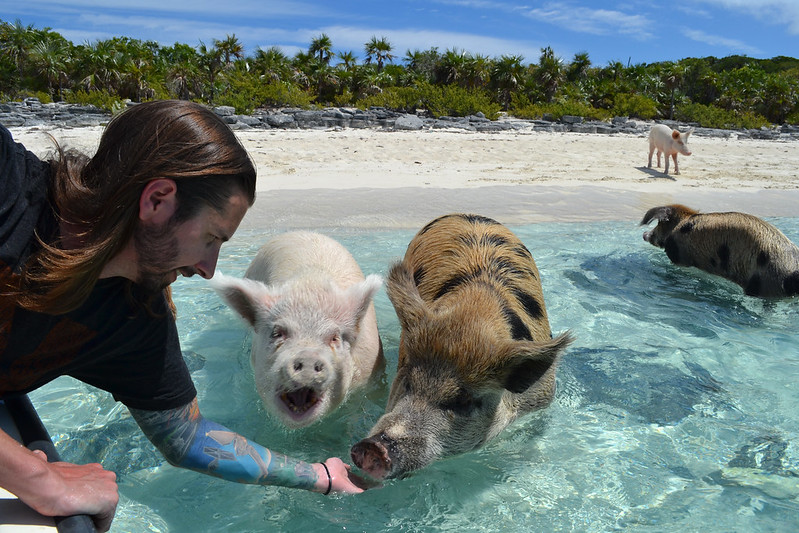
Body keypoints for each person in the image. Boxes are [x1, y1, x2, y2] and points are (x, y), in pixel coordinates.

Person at [0, 100, 366, 532]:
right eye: (212, 238)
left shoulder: (135, 317)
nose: (208, 269)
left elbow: (186, 436)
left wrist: (320, 477)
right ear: (157, 201)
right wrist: (40, 480)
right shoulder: (8, 186)